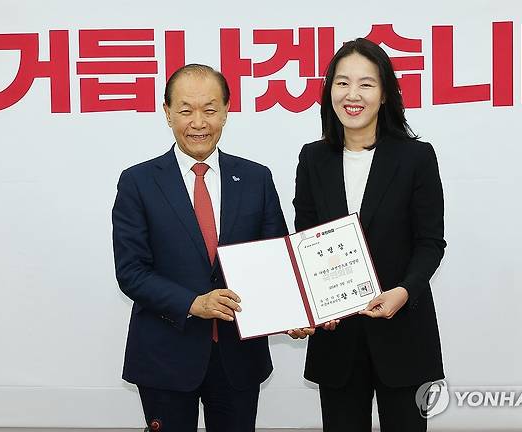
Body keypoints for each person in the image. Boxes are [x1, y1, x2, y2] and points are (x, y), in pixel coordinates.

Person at [112, 64, 288, 431]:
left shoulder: (256, 178)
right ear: (167, 112)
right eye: (186, 110)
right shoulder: (138, 182)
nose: (198, 122)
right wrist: (194, 303)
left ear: (226, 111)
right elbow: (131, 272)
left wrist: (292, 314)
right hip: (166, 354)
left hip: (238, 355)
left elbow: (277, 262)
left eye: (209, 110)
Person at [289, 38, 447, 431]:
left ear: (385, 94)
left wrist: (405, 290)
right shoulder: (313, 158)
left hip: (404, 332)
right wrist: (310, 305)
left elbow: (430, 243)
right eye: (342, 83)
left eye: (366, 84)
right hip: (337, 335)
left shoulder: (416, 157)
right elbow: (305, 240)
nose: (352, 95)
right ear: (329, 93)